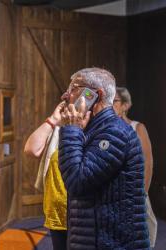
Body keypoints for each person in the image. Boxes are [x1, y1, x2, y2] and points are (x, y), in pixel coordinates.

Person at [58, 68, 150, 249]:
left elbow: (76, 181)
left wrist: (72, 130)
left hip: (112, 243)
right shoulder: (95, 129)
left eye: (74, 88)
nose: (65, 95)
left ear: (96, 95)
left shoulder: (114, 132)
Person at [113, 87, 157, 248]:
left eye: (115, 101)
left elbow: (148, 162)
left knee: (145, 230)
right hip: (114, 193)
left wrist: (143, 192)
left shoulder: (137, 128)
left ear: (125, 105)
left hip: (135, 191)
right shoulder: (108, 129)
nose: (111, 104)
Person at [24, 101, 68, 250]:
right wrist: (53, 120)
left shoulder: (95, 126)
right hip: (56, 212)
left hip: (81, 215)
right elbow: (31, 149)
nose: (66, 96)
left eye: (75, 89)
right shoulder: (58, 127)